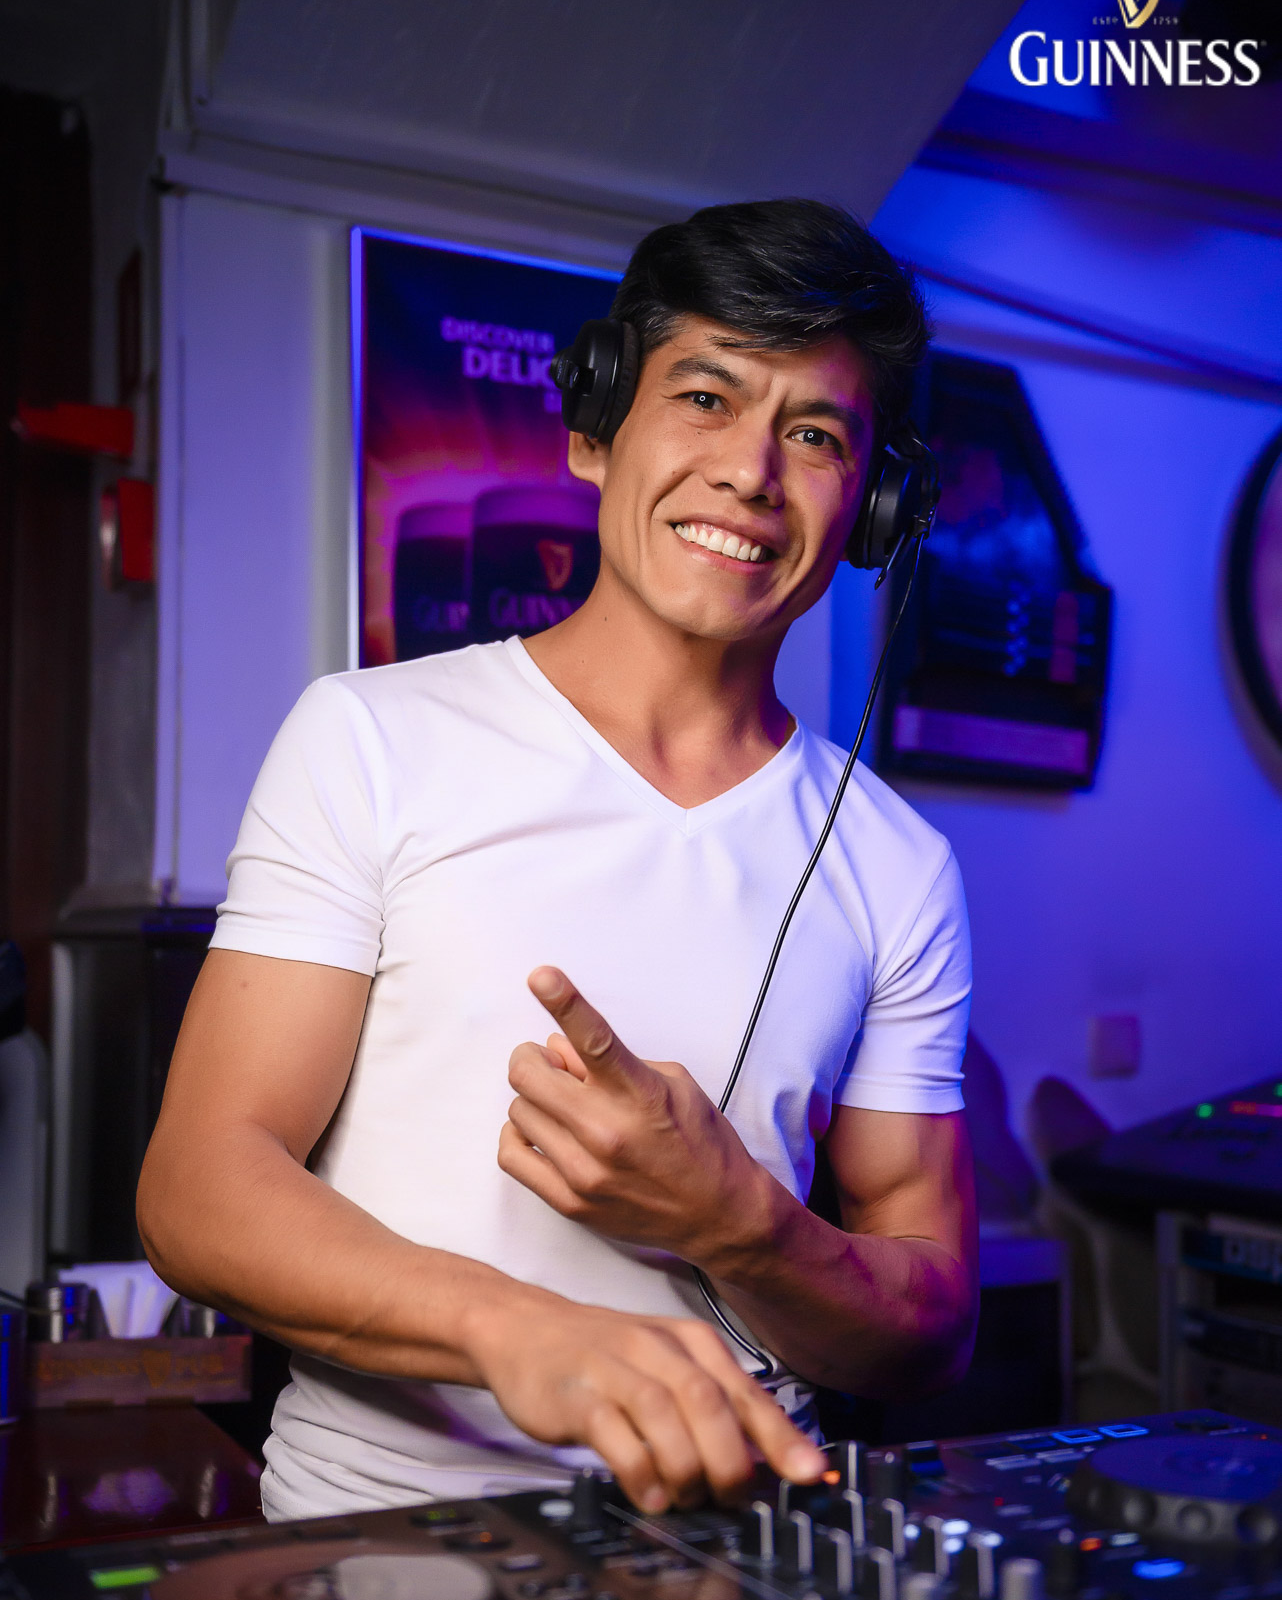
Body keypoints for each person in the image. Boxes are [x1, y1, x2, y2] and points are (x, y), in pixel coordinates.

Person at [137, 199, 977, 1524]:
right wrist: (515, 1329)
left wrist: (734, 1218)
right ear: (594, 429)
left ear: (873, 510)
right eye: (704, 397)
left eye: (814, 434)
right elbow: (198, 1189)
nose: (751, 473)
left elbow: (931, 1327)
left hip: (742, 1559)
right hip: (383, 1547)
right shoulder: (369, 738)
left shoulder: (900, 864)